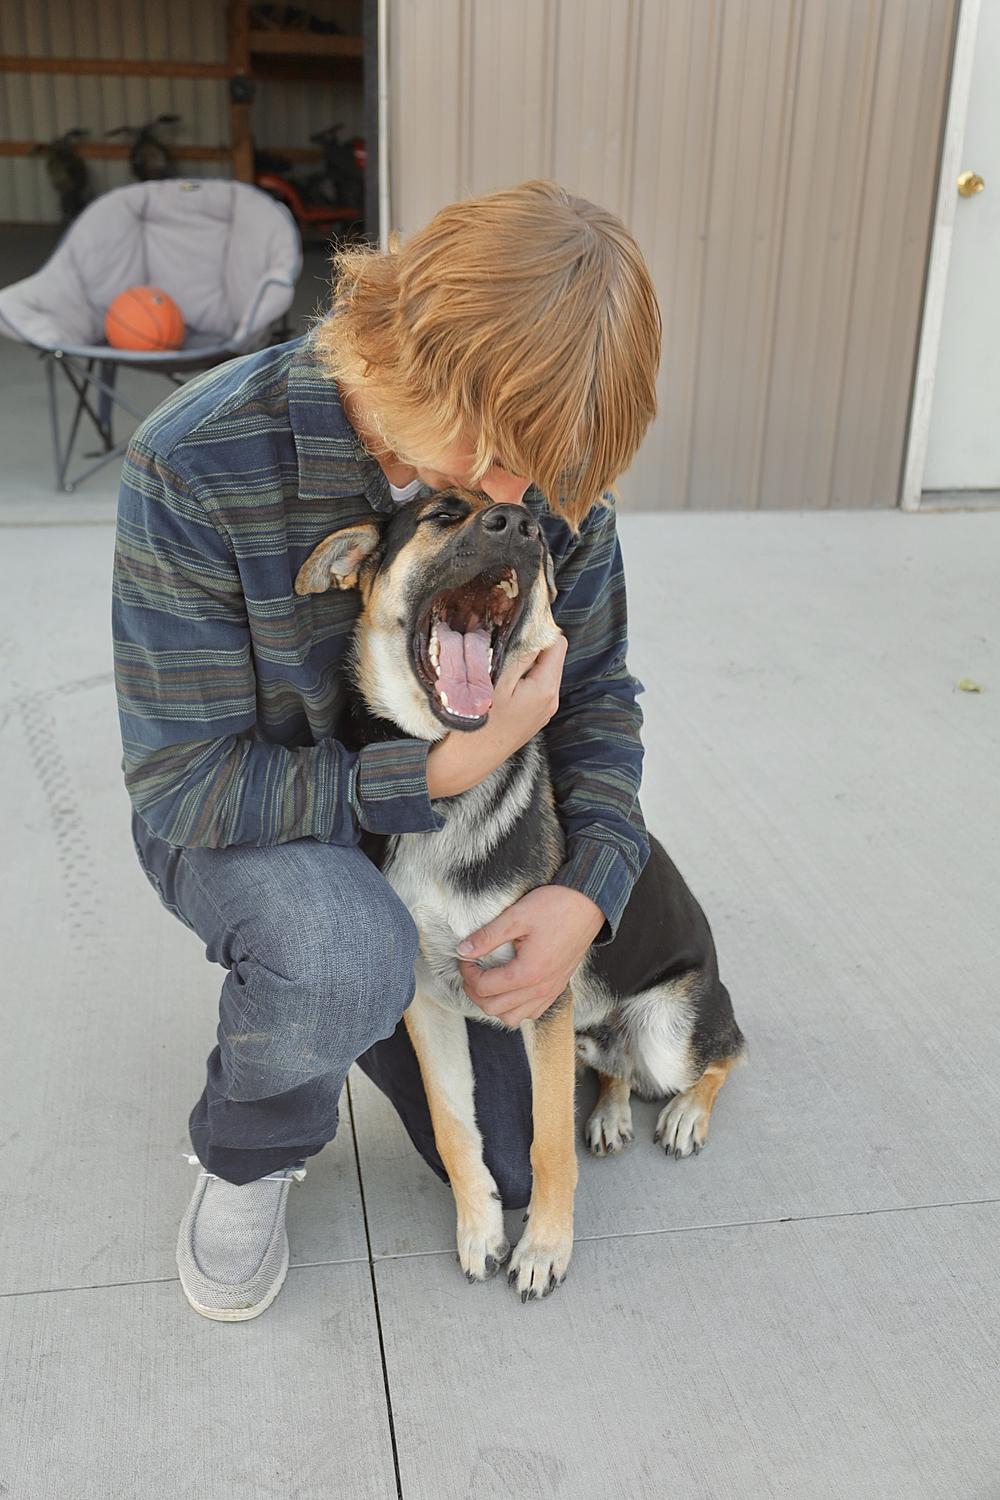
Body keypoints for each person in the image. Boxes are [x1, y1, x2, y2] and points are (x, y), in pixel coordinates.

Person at [112, 179, 661, 1321]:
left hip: (460, 838)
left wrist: (587, 894)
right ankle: (251, 1144)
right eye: (496, 456)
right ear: (397, 352)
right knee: (341, 951)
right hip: (257, 822)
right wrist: (435, 772)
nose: (517, 499)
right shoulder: (196, 461)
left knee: (515, 1171)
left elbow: (599, 694)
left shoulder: (539, 473)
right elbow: (185, 785)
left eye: (542, 479)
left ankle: (376, 990)